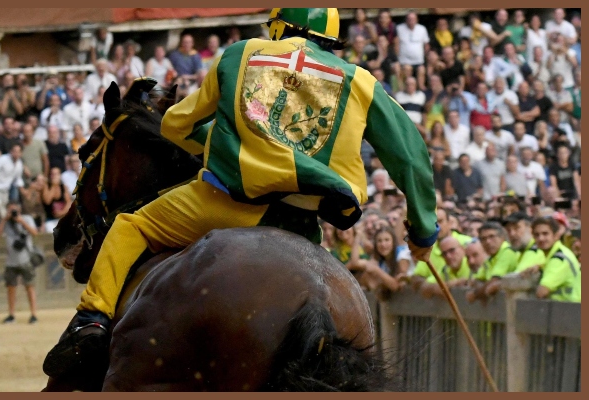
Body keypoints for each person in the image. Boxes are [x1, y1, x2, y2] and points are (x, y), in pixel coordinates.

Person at [43, 8, 440, 377]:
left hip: (223, 206)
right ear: (329, 40)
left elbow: (176, 125)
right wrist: (422, 232)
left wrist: (217, 144)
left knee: (131, 226)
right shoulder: (362, 81)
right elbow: (411, 157)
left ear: (280, 27)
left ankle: (91, 322)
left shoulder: (241, 53)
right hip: (299, 227)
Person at [0, 202, 40, 324]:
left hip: (26, 259)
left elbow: (35, 233)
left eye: (14, 210)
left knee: (29, 286)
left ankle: (33, 314)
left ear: (19, 210)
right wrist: (4, 219)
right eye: (10, 211)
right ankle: (11, 314)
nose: (13, 213)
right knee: (11, 287)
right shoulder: (6, 222)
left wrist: (21, 222)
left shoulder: (26, 219)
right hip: (11, 261)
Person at [519, 217, 580, 303]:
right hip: (565, 310)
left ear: (556, 236)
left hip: (570, 311)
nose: (541, 238)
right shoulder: (556, 254)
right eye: (537, 235)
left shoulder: (559, 258)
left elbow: (541, 292)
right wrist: (540, 267)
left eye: (545, 234)